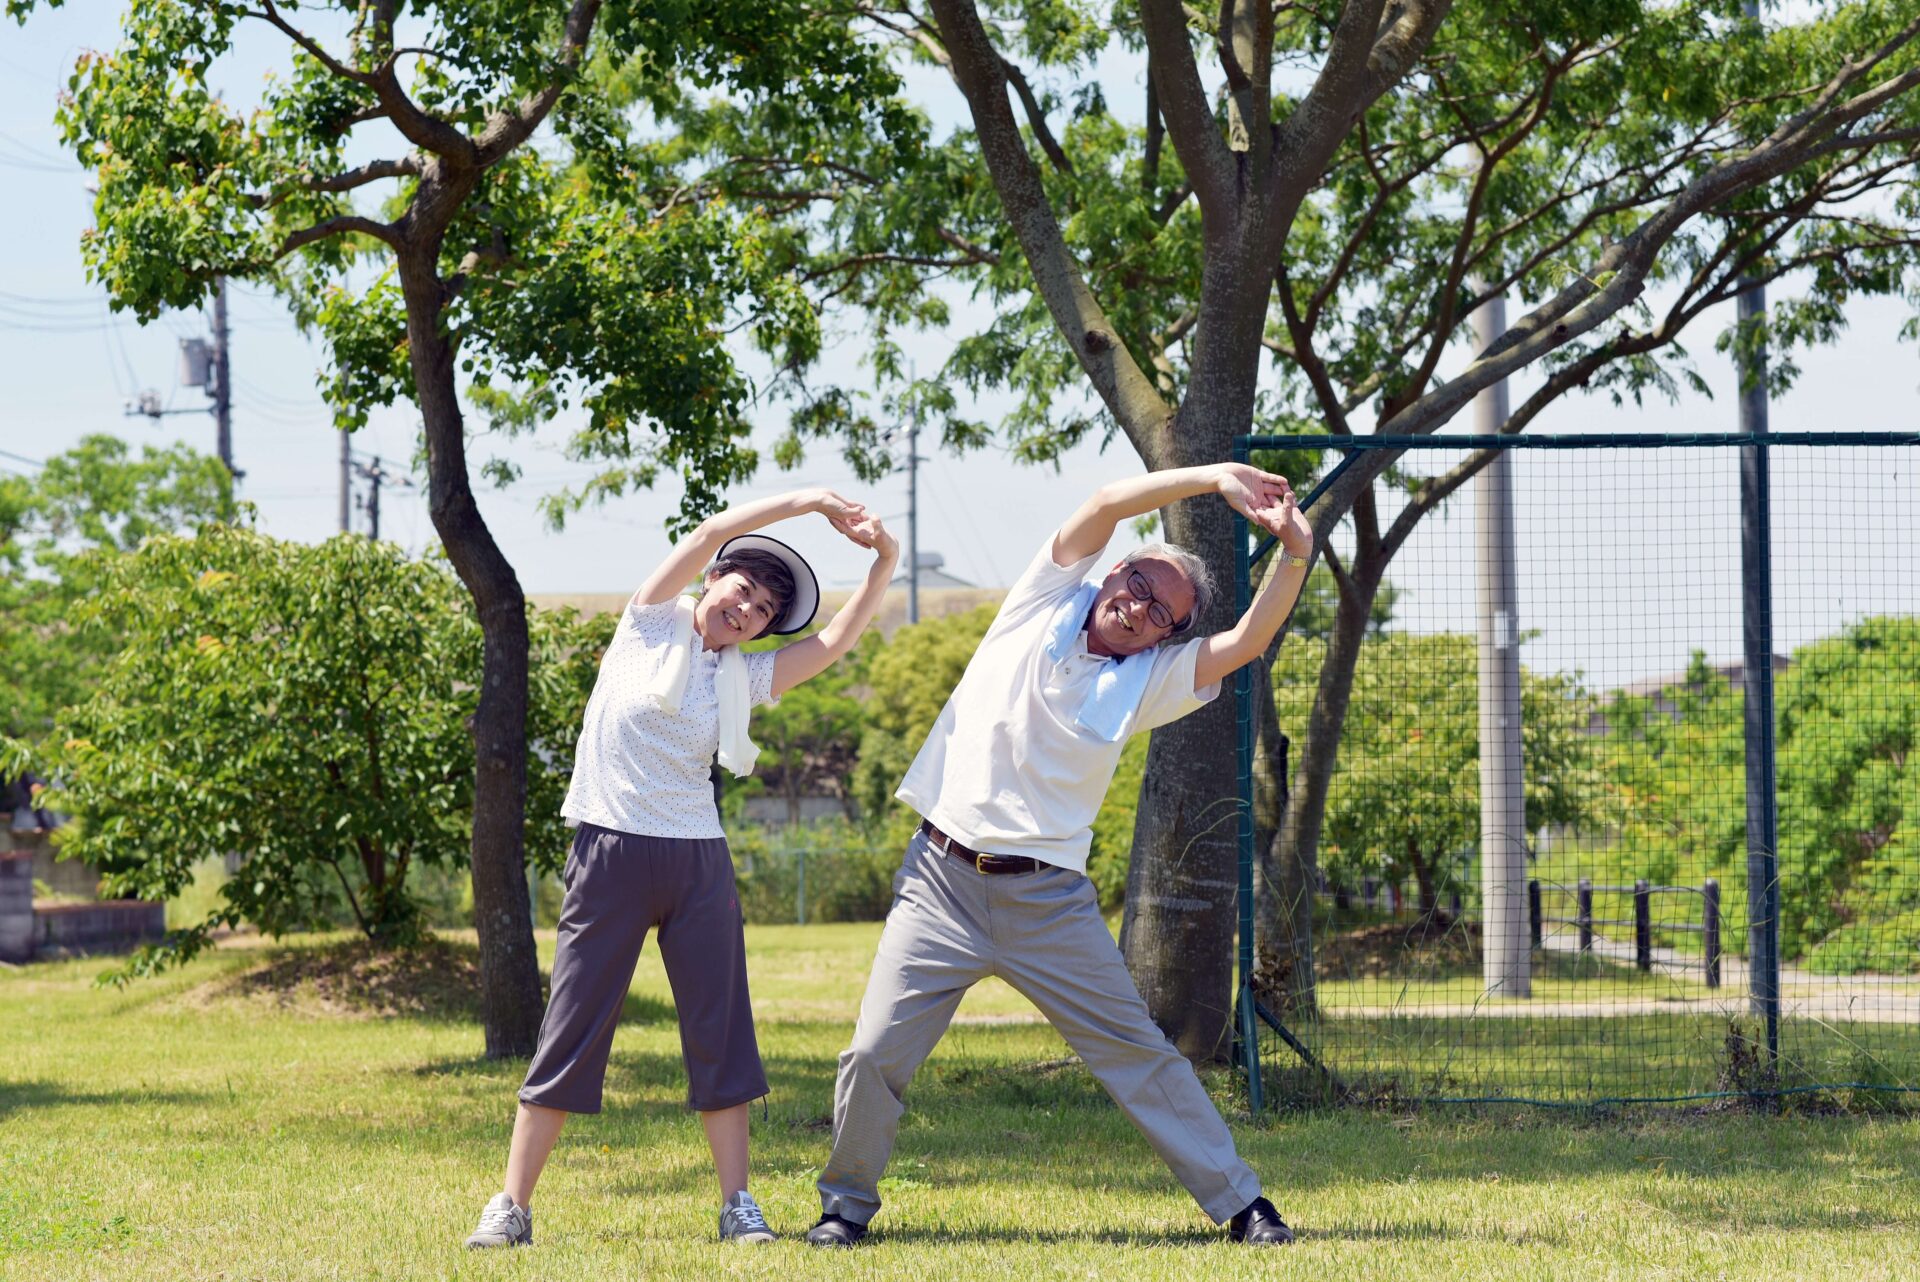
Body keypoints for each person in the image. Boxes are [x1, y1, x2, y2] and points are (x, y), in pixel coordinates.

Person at [805, 462, 1314, 1249]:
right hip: (939, 882)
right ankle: (844, 1209)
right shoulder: (1040, 598)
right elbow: (1110, 502)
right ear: (1115, 571)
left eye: (1162, 612)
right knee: (873, 1051)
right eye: (1139, 582)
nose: (1139, 608)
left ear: (1169, 636)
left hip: (1049, 902)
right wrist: (1214, 478)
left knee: (1139, 1057)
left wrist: (1294, 554)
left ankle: (1244, 1205)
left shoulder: (1151, 681)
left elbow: (1248, 640)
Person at [465, 488, 899, 1250]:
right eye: (743, 590)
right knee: (570, 1030)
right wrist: (809, 503)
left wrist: (884, 561)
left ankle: (739, 1206)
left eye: (765, 610)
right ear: (714, 580)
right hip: (610, 851)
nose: (749, 610)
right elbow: (708, 529)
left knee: (720, 1033)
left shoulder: (742, 677)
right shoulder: (648, 623)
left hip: (697, 860)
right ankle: (511, 1206)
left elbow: (832, 646)